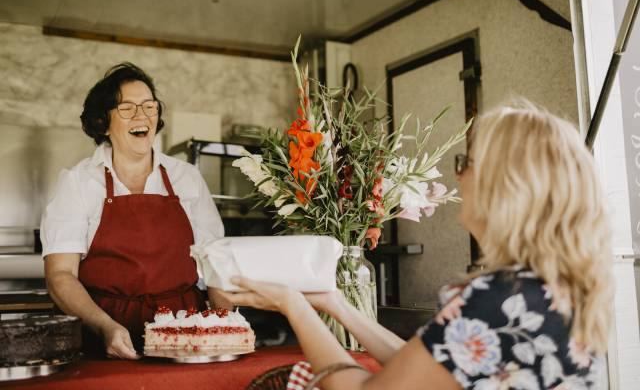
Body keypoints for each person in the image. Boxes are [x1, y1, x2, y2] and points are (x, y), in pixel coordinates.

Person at [221, 101, 613, 389]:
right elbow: (420, 367)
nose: (459, 177)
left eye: (466, 162)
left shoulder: (493, 299)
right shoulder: (552, 291)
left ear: (504, 187)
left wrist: (294, 305)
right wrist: (333, 303)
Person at [42, 62, 228, 359]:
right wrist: (105, 327)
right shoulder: (78, 182)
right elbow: (61, 275)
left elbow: (216, 267)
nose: (142, 115)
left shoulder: (186, 178)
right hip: (103, 337)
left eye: (149, 106)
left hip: (184, 337)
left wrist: (226, 325)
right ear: (104, 122)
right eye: (127, 108)